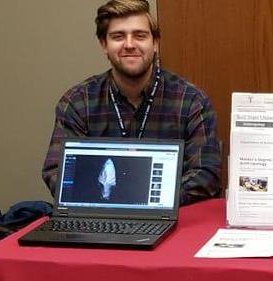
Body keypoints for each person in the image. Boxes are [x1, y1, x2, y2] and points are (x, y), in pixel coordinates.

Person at [42, 0, 221, 205]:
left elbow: (206, 176)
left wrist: (143, 198)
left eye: (140, 35)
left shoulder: (190, 101)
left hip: (172, 219)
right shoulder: (77, 102)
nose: (129, 44)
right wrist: (113, 197)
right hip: (100, 220)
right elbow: (56, 172)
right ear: (104, 45)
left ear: (155, 43)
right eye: (118, 36)